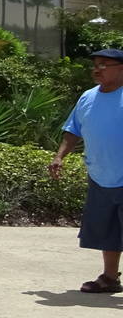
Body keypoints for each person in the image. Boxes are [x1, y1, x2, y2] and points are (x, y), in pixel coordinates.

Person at [48, 49, 123, 294]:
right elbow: (73, 130)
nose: (97, 68)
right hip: (101, 176)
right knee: (108, 230)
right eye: (95, 64)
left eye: (104, 64)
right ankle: (110, 278)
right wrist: (59, 156)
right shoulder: (88, 97)